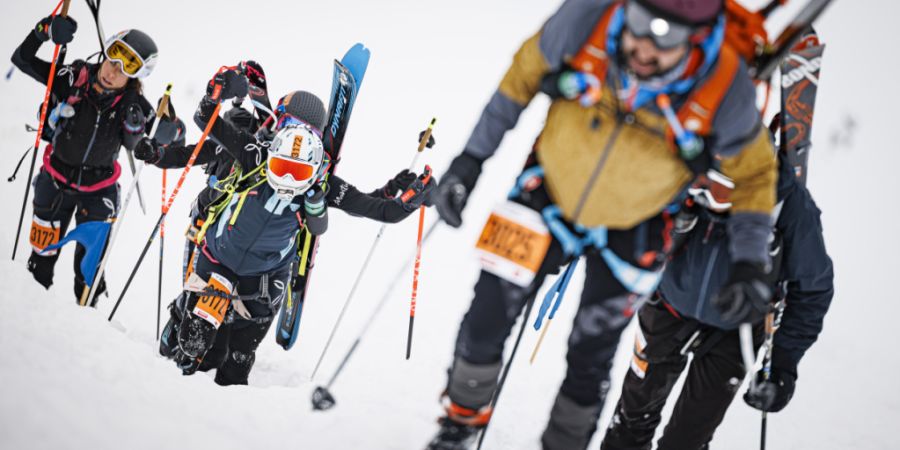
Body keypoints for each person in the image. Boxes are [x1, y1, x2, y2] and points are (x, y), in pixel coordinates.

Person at [426, 0, 777, 448]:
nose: (646, 46)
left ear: (697, 36)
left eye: (667, 37)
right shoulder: (587, 16)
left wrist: (750, 261)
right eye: (638, 25)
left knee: (590, 355)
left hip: (638, 223)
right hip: (547, 188)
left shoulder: (724, 83)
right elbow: (520, 77)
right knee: (486, 316)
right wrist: (469, 161)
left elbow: (756, 174)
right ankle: (460, 419)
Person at [146, 66, 435, 386]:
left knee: (237, 365)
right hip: (219, 257)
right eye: (281, 166)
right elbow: (207, 122)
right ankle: (180, 345)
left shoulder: (320, 183)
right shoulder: (255, 153)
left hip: (265, 276)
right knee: (198, 349)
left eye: (297, 172)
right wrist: (215, 91)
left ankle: (223, 410)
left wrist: (409, 198)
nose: (287, 180)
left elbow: (378, 209)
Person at [600, 151, 833, 450]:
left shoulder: (789, 204)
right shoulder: (688, 161)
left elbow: (813, 289)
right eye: (707, 187)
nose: (711, 197)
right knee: (631, 419)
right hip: (667, 307)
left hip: (737, 332)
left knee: (686, 440)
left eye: (725, 191)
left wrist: (782, 367)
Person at [12, 13, 166, 304]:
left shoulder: (136, 106)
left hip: (99, 192)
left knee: (88, 276)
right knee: (40, 263)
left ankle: (85, 333)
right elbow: (22, 59)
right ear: (106, 51)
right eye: (111, 60)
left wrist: (168, 131)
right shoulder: (73, 78)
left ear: (135, 76)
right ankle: (31, 316)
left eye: (123, 70)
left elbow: (157, 143)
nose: (112, 72)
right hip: (55, 180)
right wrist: (42, 31)